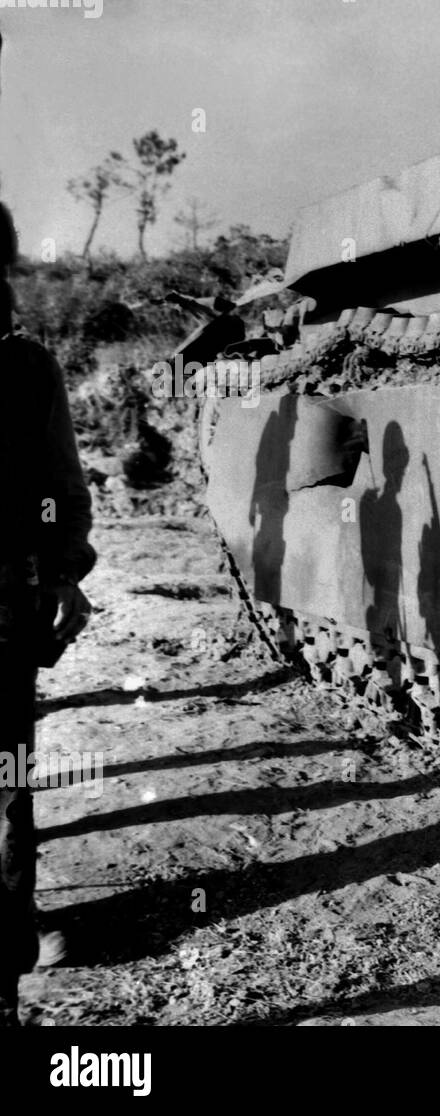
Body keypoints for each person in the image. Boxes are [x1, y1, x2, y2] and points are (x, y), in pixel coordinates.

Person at [0, 202, 96, 1026]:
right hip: (5, 600)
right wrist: (64, 569)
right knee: (4, 778)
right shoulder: (25, 366)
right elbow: (59, 487)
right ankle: (11, 946)